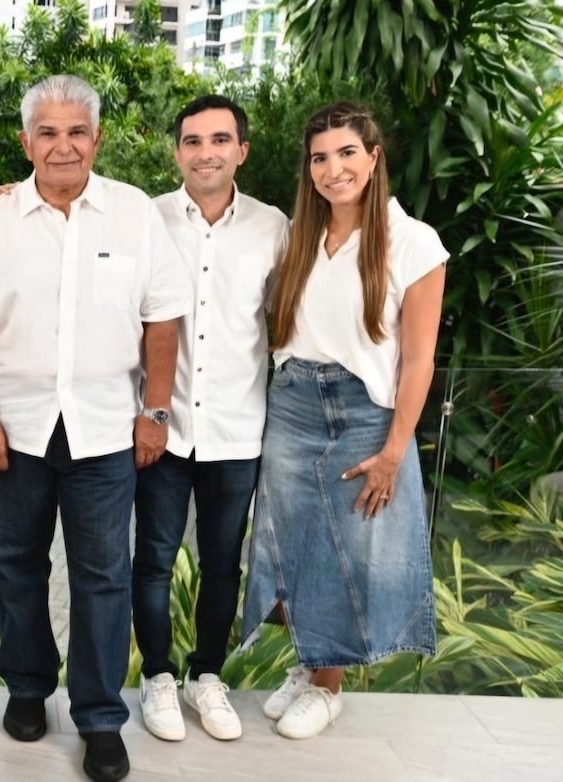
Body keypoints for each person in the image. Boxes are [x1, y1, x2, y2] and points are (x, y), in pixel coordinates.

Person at [0, 75, 191, 782]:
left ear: (97, 139)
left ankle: (100, 717)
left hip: (108, 431)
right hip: (12, 432)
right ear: (26, 142)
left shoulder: (135, 214)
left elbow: (162, 319)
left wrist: (156, 411)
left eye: (76, 131)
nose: (62, 145)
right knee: (15, 565)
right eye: (47, 133)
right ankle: (27, 686)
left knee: (103, 577)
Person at [241, 101, 446, 739]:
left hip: (363, 412)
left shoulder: (414, 243)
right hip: (293, 401)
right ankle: (309, 664)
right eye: (320, 158)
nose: (334, 170)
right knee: (293, 541)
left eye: (347, 153)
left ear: (374, 156)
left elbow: (418, 361)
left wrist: (393, 450)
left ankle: (329, 686)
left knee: (346, 548)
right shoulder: (300, 235)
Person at [133, 95, 288, 743]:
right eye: (193, 141)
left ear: (241, 151)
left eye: (219, 140)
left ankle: (207, 676)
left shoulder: (273, 226)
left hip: (236, 428)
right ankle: (159, 680)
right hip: (162, 426)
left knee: (224, 560)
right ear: (177, 152)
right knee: (154, 560)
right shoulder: (145, 219)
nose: (206, 153)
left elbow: (285, 320)